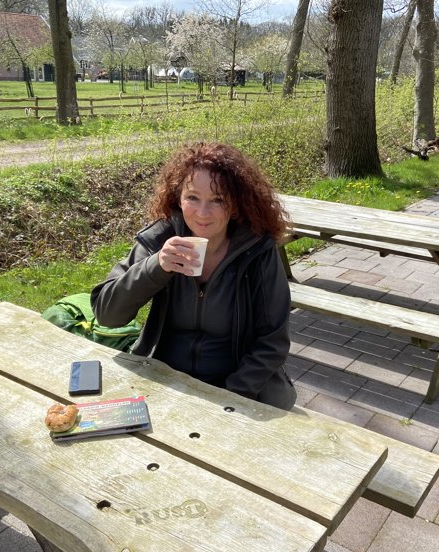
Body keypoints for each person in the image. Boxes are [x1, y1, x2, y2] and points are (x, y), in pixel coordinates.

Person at [91, 142, 296, 410]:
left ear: (235, 205)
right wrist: (156, 266)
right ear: (178, 197)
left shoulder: (256, 250)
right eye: (193, 198)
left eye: (218, 200)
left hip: (238, 388)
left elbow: (273, 342)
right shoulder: (159, 239)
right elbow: (107, 314)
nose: (202, 213)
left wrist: (231, 397)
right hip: (163, 379)